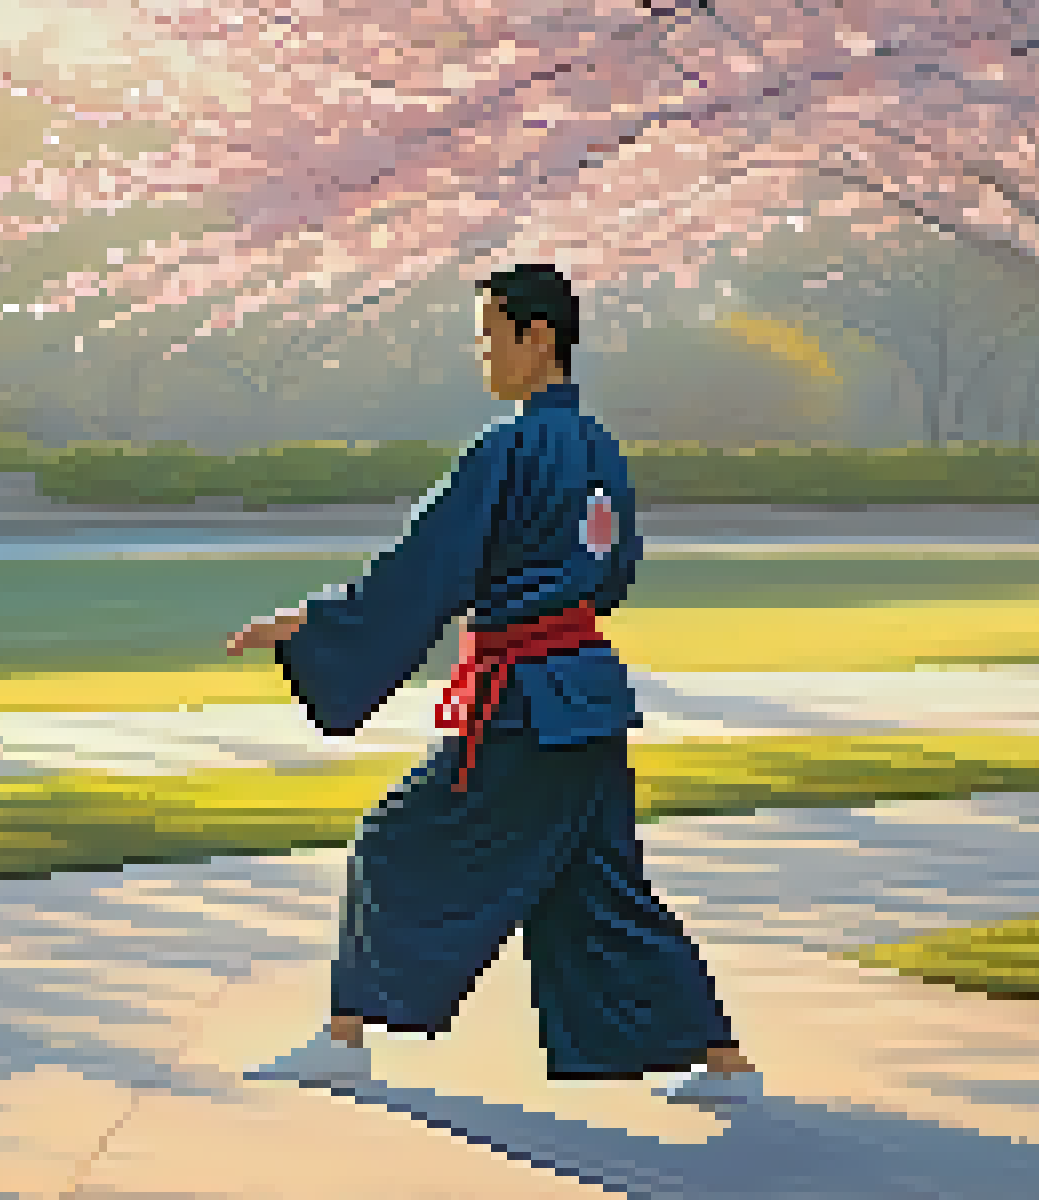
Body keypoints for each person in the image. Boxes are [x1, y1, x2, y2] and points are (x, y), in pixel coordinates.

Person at [227, 264, 761, 1105]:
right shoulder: (599, 448)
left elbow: (424, 568)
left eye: (489, 334)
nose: (483, 354)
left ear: (535, 336)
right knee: (600, 885)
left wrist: (313, 625)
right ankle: (725, 1064)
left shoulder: (509, 445)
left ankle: (345, 1035)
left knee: (392, 841)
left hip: (527, 710)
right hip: (586, 696)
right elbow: (616, 572)